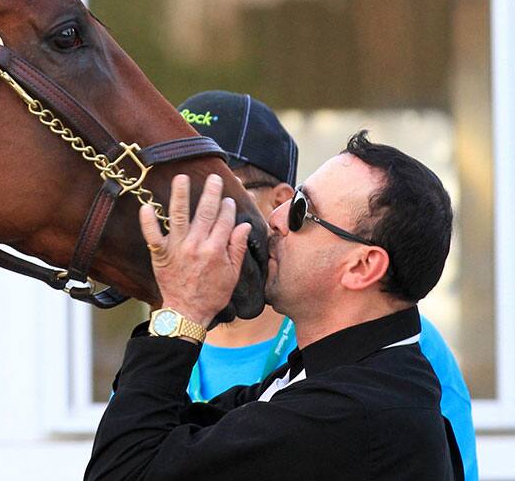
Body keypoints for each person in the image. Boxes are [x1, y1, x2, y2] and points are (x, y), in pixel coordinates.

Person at [85, 130, 464, 479]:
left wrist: (182, 310)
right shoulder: (343, 376)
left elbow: (122, 471)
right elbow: (170, 431)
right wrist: (176, 290)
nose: (275, 219)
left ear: (362, 267)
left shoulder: (353, 413)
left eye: (302, 210)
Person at [178, 91, 478, 479]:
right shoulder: (311, 360)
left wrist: (177, 314)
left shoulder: (401, 357)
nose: (181, 214)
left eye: (212, 193)